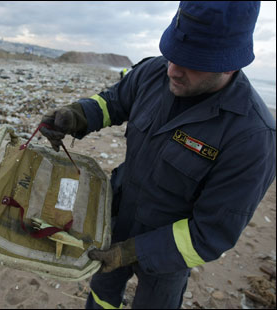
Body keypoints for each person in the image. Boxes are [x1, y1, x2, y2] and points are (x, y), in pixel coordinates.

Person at [39, 1, 276, 309]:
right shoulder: (156, 71)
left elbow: (211, 233)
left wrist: (132, 252)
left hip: (169, 251)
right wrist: (77, 115)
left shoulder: (253, 137)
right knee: (101, 294)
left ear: (229, 65)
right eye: (173, 54)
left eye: (192, 62)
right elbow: (113, 101)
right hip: (116, 218)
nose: (173, 70)